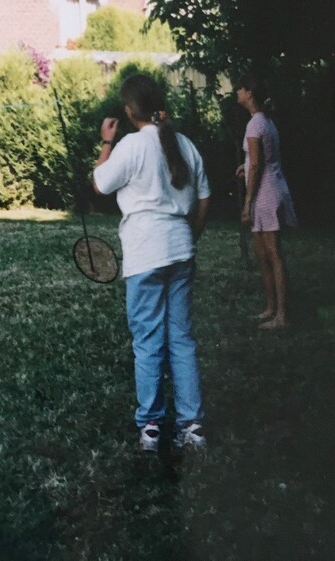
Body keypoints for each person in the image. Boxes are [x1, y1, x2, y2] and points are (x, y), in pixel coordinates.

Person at [93, 74, 211, 453]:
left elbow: (100, 183)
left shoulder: (129, 145)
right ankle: (191, 426)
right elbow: (204, 199)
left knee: (147, 341)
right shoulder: (185, 144)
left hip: (145, 252)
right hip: (180, 249)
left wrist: (106, 142)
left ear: (129, 111)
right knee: (181, 338)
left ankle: (151, 426)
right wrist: (191, 234)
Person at [234, 73, 297, 330]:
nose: (237, 92)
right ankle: (270, 308)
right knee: (262, 254)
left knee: (273, 253)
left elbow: (259, 164)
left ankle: (281, 315)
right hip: (268, 188)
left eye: (240, 89)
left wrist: (247, 203)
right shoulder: (264, 122)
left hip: (265, 193)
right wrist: (245, 164)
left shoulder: (255, 124)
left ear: (249, 93)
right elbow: (258, 159)